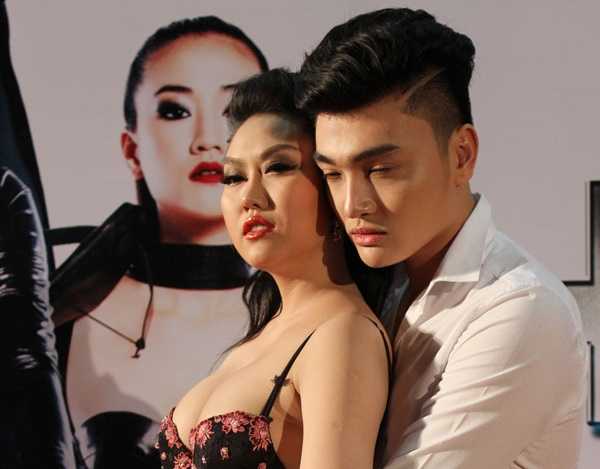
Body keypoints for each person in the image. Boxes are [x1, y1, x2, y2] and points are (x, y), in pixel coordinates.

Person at [296, 8, 586, 469]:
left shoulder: (521, 310)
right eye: (332, 173)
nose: (352, 204)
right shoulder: (373, 287)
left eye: (380, 169)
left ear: (462, 154)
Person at [50, 16, 268, 468]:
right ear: (131, 150)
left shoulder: (320, 311)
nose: (208, 140)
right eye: (175, 111)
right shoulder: (59, 317)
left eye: (236, 109)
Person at [156, 68, 392, 469]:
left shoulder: (343, 334)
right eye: (233, 177)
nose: (249, 196)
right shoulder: (259, 338)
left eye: (278, 167)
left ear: (334, 186)